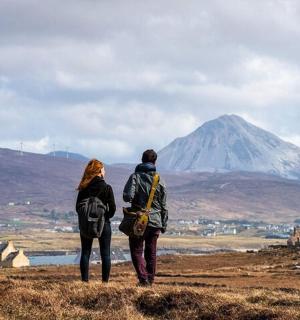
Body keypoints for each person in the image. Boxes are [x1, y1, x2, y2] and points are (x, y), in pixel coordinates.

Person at [123, 149, 168, 286]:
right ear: (155, 162)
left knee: (136, 250)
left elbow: (127, 197)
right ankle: (150, 280)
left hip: (139, 220)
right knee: (151, 252)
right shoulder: (160, 180)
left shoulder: (135, 177)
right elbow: (164, 205)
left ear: (142, 160)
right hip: (155, 221)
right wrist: (164, 224)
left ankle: (143, 280)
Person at [76, 159, 116, 282]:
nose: (105, 171)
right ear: (99, 171)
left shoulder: (83, 187)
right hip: (104, 224)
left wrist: (86, 218)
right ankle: (105, 282)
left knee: (85, 253)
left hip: (86, 224)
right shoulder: (106, 187)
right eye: (103, 168)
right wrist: (105, 217)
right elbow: (113, 208)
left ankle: (85, 282)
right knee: (105, 254)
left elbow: (78, 207)